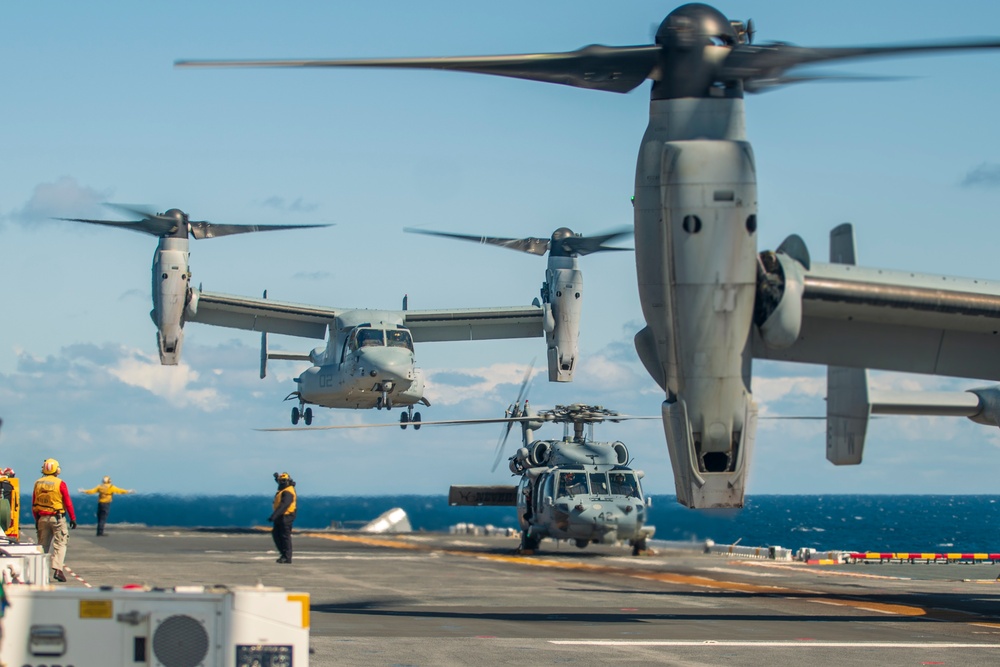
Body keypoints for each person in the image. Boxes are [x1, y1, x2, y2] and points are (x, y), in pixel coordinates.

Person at [32, 458, 76, 583]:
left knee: (42, 546)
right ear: (57, 469)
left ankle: (40, 572)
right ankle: (57, 569)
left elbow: (33, 503)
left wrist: (37, 520)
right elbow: (67, 502)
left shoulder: (37, 483)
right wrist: (73, 518)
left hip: (42, 518)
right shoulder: (60, 483)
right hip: (57, 518)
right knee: (60, 544)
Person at [269, 472, 296, 564]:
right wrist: (276, 478)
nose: (281, 482)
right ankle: (283, 554)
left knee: (285, 536)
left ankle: (287, 557)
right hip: (281, 516)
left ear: (288, 481)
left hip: (286, 516)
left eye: (283, 481)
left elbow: (284, 505)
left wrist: (274, 515)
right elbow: (280, 482)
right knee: (276, 534)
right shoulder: (284, 488)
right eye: (280, 481)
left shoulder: (288, 492)